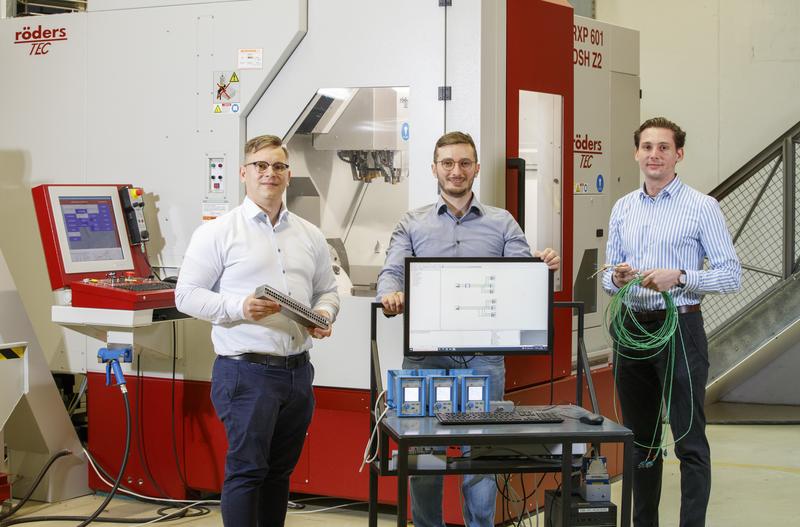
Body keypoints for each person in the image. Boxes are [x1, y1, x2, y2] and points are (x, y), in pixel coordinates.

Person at [377, 131, 560, 527]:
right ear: (434, 169)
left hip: (483, 360)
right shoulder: (412, 223)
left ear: (476, 168)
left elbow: (519, 273)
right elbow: (392, 270)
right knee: (423, 452)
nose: (455, 171)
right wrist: (390, 292)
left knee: (481, 451)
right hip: (425, 359)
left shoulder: (501, 222)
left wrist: (538, 265)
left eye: (464, 163)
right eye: (447, 163)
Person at [175, 135, 339, 527]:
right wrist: (239, 307)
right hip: (245, 373)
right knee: (248, 470)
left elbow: (328, 290)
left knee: (279, 473)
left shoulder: (309, 234)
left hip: (297, 372)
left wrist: (323, 314)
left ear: (288, 174)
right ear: (243, 173)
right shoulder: (218, 232)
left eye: (278, 166)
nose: (270, 173)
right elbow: (185, 295)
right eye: (261, 166)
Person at [603, 117, 741, 527]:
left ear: (678, 154)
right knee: (640, 442)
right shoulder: (623, 207)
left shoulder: (702, 207)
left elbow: (730, 274)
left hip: (680, 328)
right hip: (633, 330)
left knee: (688, 440)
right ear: (636, 154)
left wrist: (680, 276)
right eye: (647, 147)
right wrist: (618, 277)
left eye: (663, 147)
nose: (654, 155)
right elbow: (610, 279)